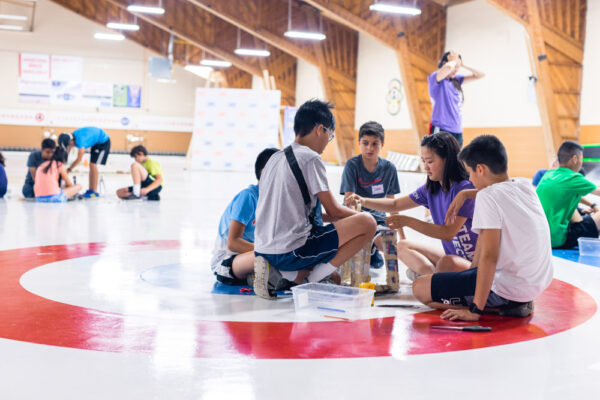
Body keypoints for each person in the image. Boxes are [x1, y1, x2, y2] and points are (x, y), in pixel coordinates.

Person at [414, 135, 553, 321]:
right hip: (536, 284)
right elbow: (496, 191)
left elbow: (489, 257)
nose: (470, 179)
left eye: (470, 173)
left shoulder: (487, 197)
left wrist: (475, 310)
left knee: (419, 288)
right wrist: (465, 194)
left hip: (507, 289)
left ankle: (502, 308)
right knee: (451, 263)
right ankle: (511, 303)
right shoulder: (523, 185)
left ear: (480, 169)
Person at [253, 100, 377, 299]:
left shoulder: (275, 158)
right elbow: (335, 210)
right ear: (321, 129)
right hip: (292, 250)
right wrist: (361, 218)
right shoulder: (310, 158)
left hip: (262, 248)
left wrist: (340, 220)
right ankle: (312, 279)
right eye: (330, 135)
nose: (328, 142)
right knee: (368, 223)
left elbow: (298, 210)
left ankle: (289, 275)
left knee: (333, 254)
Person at [348, 132, 477, 280]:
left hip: (472, 264)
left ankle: (431, 279)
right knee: (402, 246)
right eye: (423, 161)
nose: (426, 167)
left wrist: (407, 221)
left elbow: (447, 233)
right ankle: (433, 278)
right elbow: (395, 204)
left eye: (430, 161)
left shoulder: (463, 189)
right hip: (453, 257)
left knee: (447, 263)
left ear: (447, 160)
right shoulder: (431, 189)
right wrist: (363, 200)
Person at [210, 148, 279, 285]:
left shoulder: (275, 199)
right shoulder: (248, 196)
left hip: (255, 254)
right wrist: (269, 251)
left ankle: (255, 276)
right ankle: (257, 275)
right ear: (264, 173)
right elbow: (233, 243)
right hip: (228, 260)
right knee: (266, 257)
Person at [340, 121, 400, 268]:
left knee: (391, 246)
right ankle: (367, 247)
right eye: (365, 143)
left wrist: (401, 237)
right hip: (354, 217)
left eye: (375, 143)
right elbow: (349, 202)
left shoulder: (389, 168)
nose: (370, 148)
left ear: (382, 144)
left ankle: (372, 248)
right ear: (359, 142)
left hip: (378, 219)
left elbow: (393, 205)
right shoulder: (352, 165)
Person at [536, 141, 600, 249]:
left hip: (541, 238)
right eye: (581, 159)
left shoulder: (548, 174)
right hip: (557, 239)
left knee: (585, 215)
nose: (581, 163)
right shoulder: (573, 178)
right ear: (575, 159)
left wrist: (593, 205)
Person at [428, 51, 485, 147]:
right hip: (441, 129)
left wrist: (462, 64)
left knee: (455, 161)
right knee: (440, 160)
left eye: (458, 67)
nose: (456, 70)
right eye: (455, 66)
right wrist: (453, 61)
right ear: (445, 64)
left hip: (457, 130)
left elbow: (481, 75)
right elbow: (445, 70)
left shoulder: (457, 80)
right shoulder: (435, 77)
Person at [58, 127, 111, 198]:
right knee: (91, 165)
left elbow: (79, 159)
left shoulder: (80, 141)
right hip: (95, 142)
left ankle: (94, 192)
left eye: (70, 145)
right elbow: (67, 152)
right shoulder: (71, 137)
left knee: (93, 165)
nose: (70, 147)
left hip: (103, 141)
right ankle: (91, 190)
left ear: (71, 141)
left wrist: (69, 169)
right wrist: (62, 166)